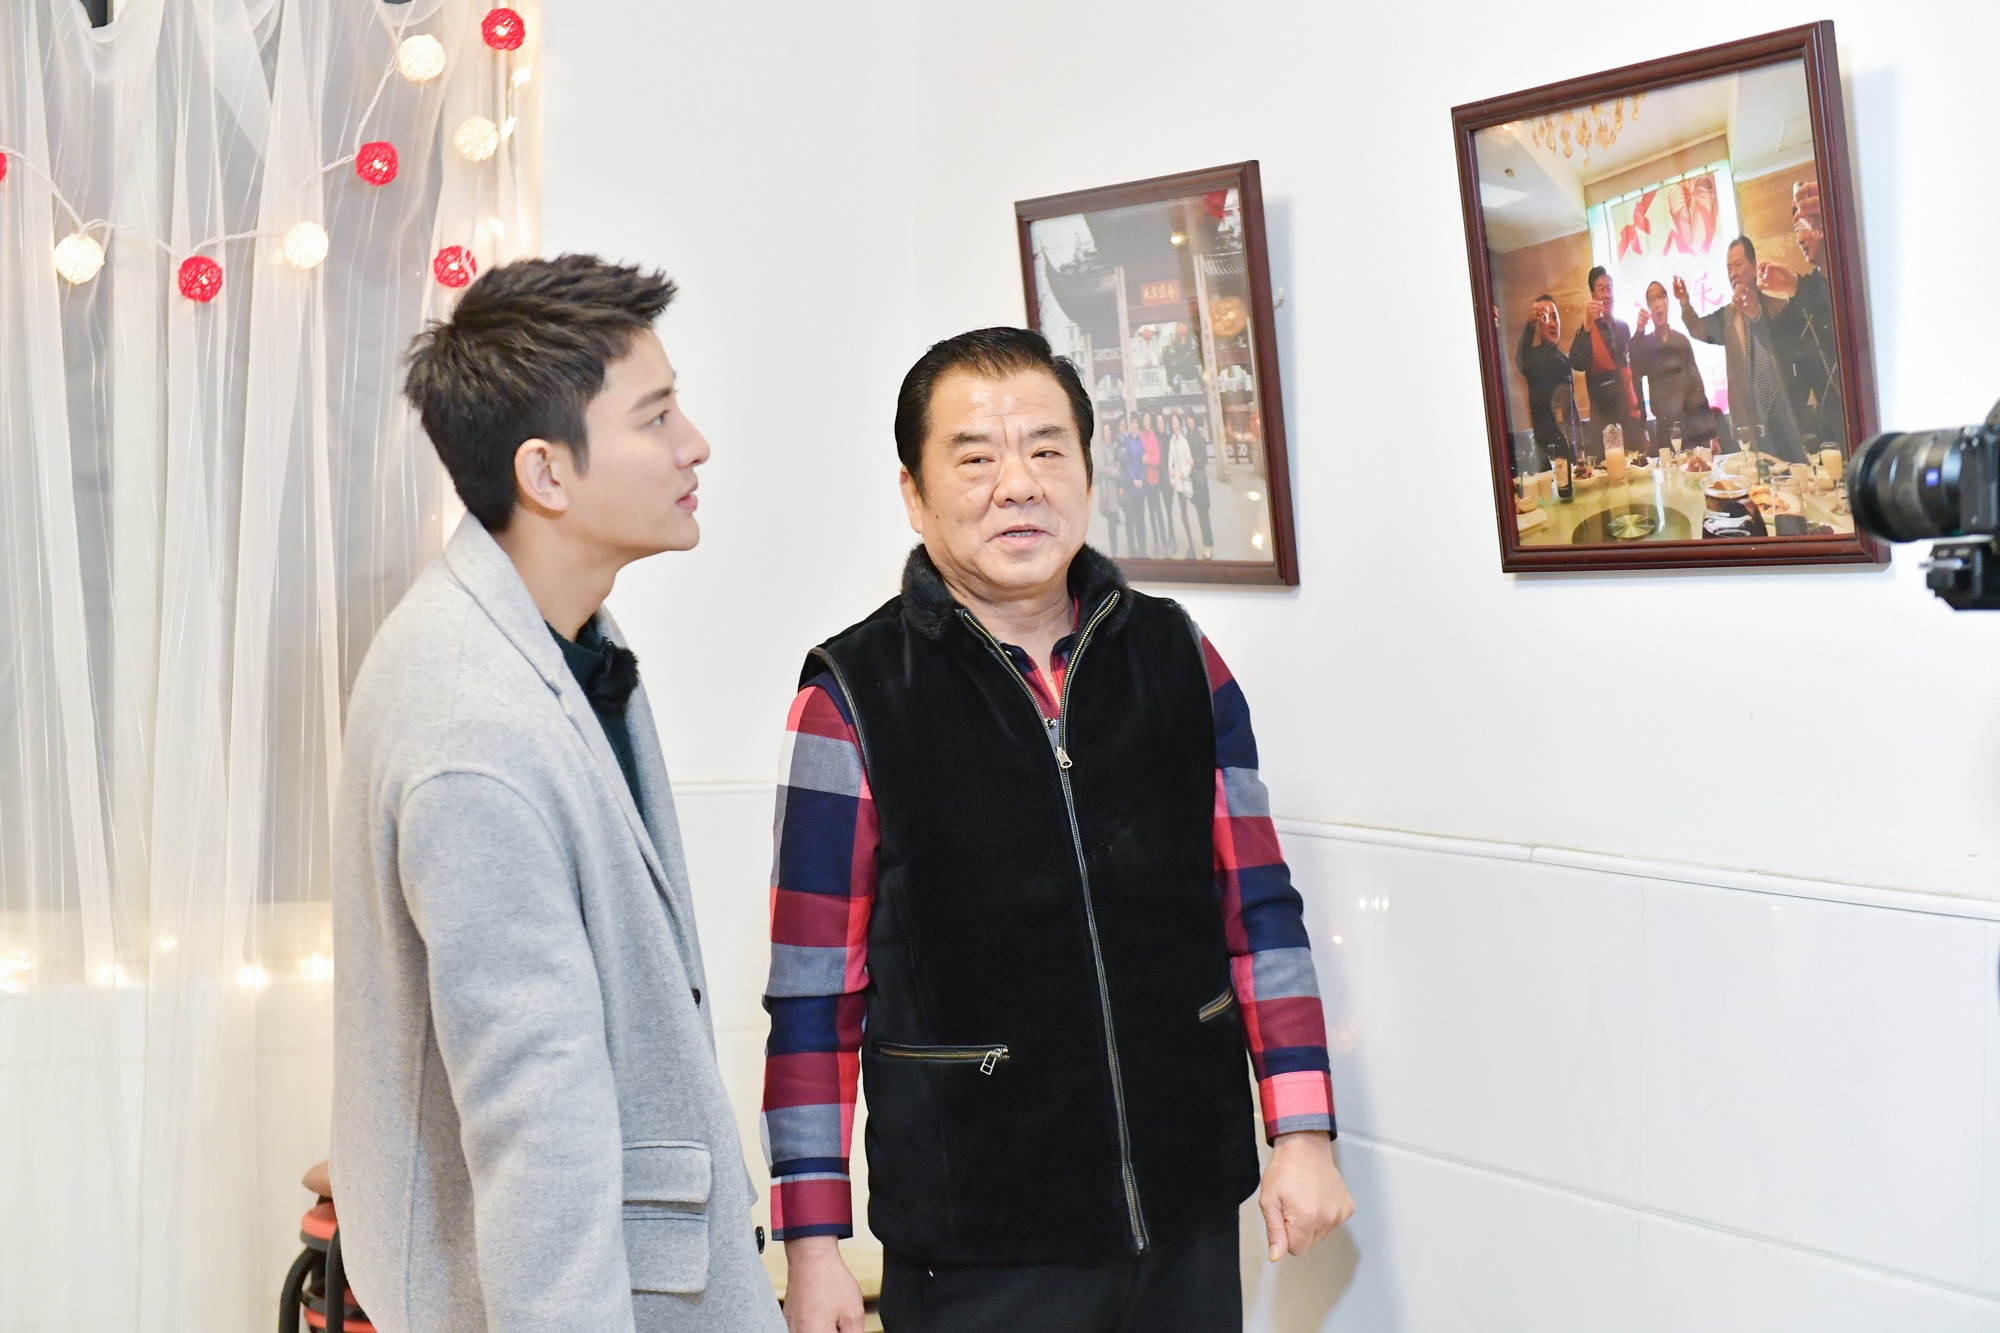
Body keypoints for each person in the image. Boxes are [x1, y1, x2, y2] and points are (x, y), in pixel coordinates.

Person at [765, 327, 1353, 1333]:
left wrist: (1301, 1131)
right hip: (976, 1247)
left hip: (1186, 1216)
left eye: (1046, 450)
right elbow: (813, 997)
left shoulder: (1179, 657)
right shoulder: (851, 697)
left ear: (1087, 471)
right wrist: (812, 1247)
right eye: (975, 458)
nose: (1018, 485)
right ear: (914, 493)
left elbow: (1259, 911)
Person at [332, 256, 782, 1333]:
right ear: (545, 472)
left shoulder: (563, 637)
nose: (694, 444)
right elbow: (532, 1118)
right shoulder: (473, 724)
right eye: (656, 417)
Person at [1676, 236, 1808, 463]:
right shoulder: (1727, 316)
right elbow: (1699, 330)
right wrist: (1685, 304)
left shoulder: (1778, 308)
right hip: (1748, 427)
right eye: (1729, 268)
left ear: (1754, 268)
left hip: (1783, 424)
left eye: (1738, 265)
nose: (1733, 273)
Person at [1761, 180, 1843, 448]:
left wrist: (1794, 285)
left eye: (1804, 226)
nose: (1799, 239)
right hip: (1832, 437)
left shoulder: (1851, 277)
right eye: (1796, 230)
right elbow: (1777, 344)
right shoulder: (1805, 291)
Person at [1629, 280, 1718, 453]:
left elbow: (1697, 387)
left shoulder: (1681, 341)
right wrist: (1639, 331)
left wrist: (1711, 434)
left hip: (1690, 427)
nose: (1656, 303)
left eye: (1660, 297)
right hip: (1664, 430)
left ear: (1667, 302)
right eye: (1651, 300)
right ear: (1649, 309)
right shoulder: (1645, 345)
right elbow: (1634, 369)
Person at [1565, 266, 1640, 459]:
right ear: (1593, 295)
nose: (1606, 295)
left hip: (1626, 419)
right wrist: (1587, 325)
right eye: (1601, 289)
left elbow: (1631, 375)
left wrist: (1639, 421)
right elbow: (1576, 362)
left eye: (1609, 289)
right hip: (1602, 423)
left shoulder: (1623, 328)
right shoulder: (1588, 330)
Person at [1515, 293, 1579, 473]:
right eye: (1544, 318)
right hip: (1544, 454)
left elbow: (1572, 410)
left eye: (1554, 317)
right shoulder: (1532, 358)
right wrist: (1529, 326)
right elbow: (1521, 360)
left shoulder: (1564, 362)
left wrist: (1579, 452)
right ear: (1538, 326)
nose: (1552, 323)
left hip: (1568, 451)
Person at [1117, 416, 1150, 557]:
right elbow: (1128, 461)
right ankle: (1132, 550)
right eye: (1133, 423)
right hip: (1130, 486)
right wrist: (1134, 479)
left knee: (1141, 519)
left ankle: (1143, 550)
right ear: (1131, 425)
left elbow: (1143, 461)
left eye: (1136, 423)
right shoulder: (1128, 441)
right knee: (1131, 518)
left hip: (1141, 486)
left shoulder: (1141, 440)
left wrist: (1141, 479)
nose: (1135, 425)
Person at [1092, 418, 1125, 556]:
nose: (1107, 434)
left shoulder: (1115, 446)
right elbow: (1101, 468)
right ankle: (1114, 550)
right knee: (1111, 523)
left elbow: (1120, 462)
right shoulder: (1102, 449)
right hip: (1108, 491)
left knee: (1117, 517)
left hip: (1117, 488)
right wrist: (1113, 472)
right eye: (1105, 432)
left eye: (1108, 431)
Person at [1140, 410, 1170, 555]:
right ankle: (1156, 543)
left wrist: (1147, 460)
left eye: (1148, 419)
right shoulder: (1140, 435)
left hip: (1154, 480)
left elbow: (1157, 459)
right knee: (1151, 514)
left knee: (1158, 512)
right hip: (1144, 481)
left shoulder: (1153, 435)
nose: (1147, 421)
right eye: (1145, 419)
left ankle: (1164, 542)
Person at [1168, 412, 1197, 557]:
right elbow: (1170, 463)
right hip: (1179, 485)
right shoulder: (1172, 441)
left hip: (1186, 482)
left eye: (1177, 422)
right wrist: (1173, 480)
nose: (1175, 425)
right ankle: (1191, 545)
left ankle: (1192, 546)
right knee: (1183, 514)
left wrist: (1184, 473)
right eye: (1173, 423)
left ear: (1180, 424)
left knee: (1186, 514)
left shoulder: (1184, 441)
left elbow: (1189, 461)